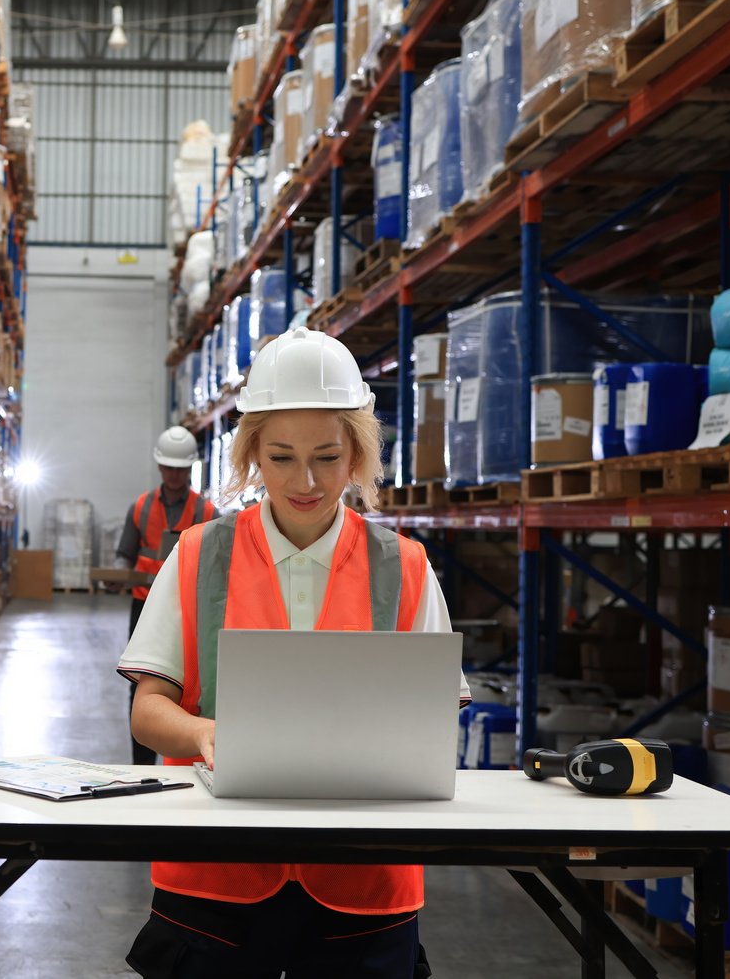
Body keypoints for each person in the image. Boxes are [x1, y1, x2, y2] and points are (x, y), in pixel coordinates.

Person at [117, 328, 470, 979]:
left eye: (327, 457)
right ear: (250, 452)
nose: (303, 481)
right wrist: (204, 732)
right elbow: (147, 709)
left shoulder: (406, 566)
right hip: (216, 872)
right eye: (279, 457)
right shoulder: (197, 554)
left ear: (358, 454)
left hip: (363, 875)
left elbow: (435, 717)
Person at [114, 426, 219, 765]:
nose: (174, 474)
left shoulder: (207, 513)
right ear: (159, 467)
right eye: (169, 467)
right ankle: (141, 767)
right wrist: (118, 576)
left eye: (181, 468)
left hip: (191, 611)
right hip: (144, 604)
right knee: (144, 687)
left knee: (187, 686)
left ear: (190, 469)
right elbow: (124, 555)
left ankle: (188, 756)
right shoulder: (141, 508)